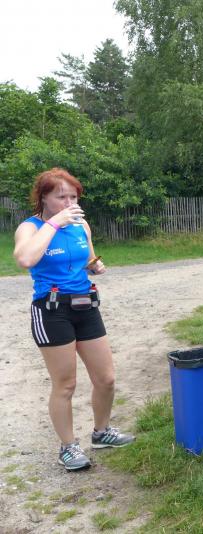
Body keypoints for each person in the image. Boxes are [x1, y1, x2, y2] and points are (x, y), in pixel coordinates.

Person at [13, 168, 135, 472]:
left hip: (86, 305)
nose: (69, 203)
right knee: (65, 384)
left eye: (73, 197)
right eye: (61, 197)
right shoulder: (30, 227)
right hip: (52, 310)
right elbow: (25, 259)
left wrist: (95, 266)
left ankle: (101, 432)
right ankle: (67, 447)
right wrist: (54, 223)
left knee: (106, 379)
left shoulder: (81, 225)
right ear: (43, 197)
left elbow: (88, 259)